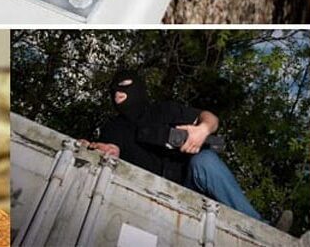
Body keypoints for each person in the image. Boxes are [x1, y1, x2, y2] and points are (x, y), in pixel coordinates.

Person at [79, 69, 292, 231]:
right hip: (140, 191)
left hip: (186, 189)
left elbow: (211, 118)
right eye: (114, 89)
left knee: (205, 160)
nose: (118, 92)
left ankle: (258, 227)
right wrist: (97, 150)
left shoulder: (164, 110)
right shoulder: (114, 126)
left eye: (124, 86)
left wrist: (202, 130)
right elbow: (111, 148)